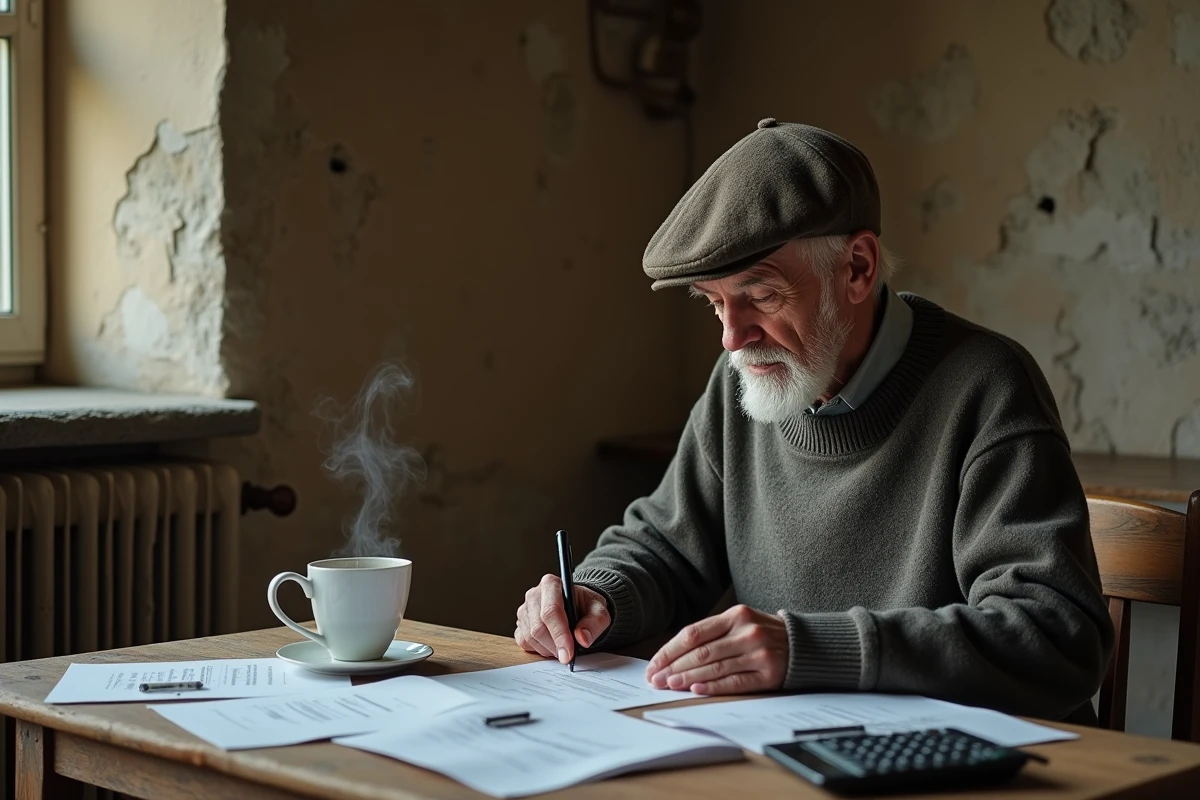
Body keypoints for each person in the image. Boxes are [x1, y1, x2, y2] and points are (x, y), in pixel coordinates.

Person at [513, 118, 1114, 724]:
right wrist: (595, 596)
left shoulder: (986, 386)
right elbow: (665, 546)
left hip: (980, 768)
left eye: (762, 296)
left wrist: (808, 650)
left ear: (857, 267)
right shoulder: (744, 381)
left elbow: (1055, 635)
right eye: (714, 303)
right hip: (802, 751)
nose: (731, 338)